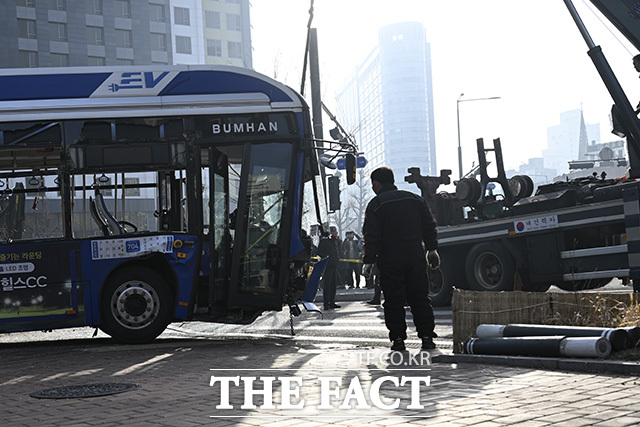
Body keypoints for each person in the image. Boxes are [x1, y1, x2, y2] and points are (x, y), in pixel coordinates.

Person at [362, 166, 440, 351]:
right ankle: (427, 337)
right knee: (420, 298)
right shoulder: (415, 199)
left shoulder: (376, 204)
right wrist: (432, 249)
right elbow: (429, 226)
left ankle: (398, 340)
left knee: (393, 300)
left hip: (390, 259)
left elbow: (371, 235)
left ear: (377, 184)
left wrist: (368, 261)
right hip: (415, 256)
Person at [317, 225, 342, 310]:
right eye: (335, 231)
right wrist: (326, 258)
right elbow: (319, 251)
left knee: (333, 285)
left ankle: (332, 302)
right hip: (328, 265)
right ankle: (326, 303)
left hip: (334, 265)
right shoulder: (325, 241)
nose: (336, 233)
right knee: (327, 285)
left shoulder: (334, 241)